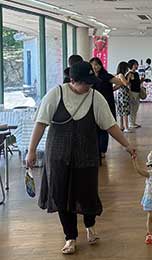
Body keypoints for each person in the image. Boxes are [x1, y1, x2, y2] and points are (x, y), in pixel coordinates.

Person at [26, 62, 136, 255]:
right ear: (73, 81)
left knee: (87, 193)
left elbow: (110, 125)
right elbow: (40, 124)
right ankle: (70, 237)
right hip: (58, 155)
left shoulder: (96, 98)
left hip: (86, 155)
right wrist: (31, 150)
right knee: (60, 195)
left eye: (91, 82)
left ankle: (90, 224)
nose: (89, 86)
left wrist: (127, 145)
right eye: (86, 83)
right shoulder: (55, 95)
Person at [89, 57, 126, 158]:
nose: (95, 66)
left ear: (100, 65)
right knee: (94, 127)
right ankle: (95, 149)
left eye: (97, 64)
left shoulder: (106, 76)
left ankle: (102, 150)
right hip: (93, 104)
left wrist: (112, 89)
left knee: (104, 127)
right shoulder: (89, 77)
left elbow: (121, 83)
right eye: (92, 64)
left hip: (106, 103)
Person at [116, 62, 132, 132]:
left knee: (121, 111)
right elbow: (126, 84)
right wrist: (128, 78)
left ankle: (121, 126)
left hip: (122, 94)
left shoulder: (120, 75)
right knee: (124, 110)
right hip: (123, 94)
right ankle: (126, 127)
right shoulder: (121, 75)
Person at [128, 59, 142, 129]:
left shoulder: (136, 73)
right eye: (135, 64)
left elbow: (138, 83)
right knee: (132, 108)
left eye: (137, 64)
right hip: (132, 93)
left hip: (137, 92)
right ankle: (131, 123)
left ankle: (133, 122)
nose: (136, 66)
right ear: (131, 65)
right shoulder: (129, 74)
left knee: (135, 108)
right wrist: (130, 94)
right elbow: (128, 84)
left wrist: (141, 81)